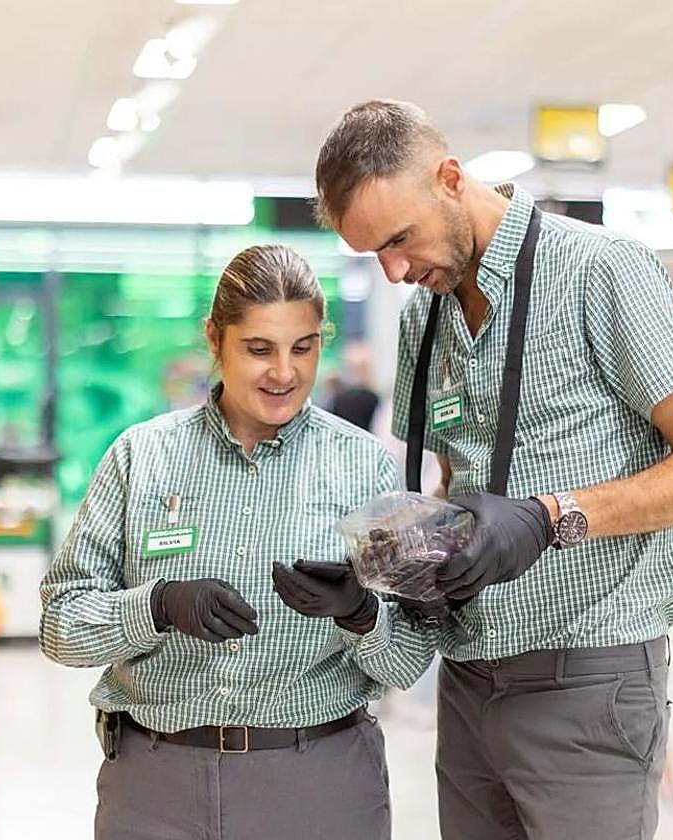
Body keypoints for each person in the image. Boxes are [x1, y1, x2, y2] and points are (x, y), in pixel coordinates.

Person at [312, 100, 673, 840]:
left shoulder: (600, 270)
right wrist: (401, 554)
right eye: (372, 256)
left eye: (398, 240)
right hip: (469, 674)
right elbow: (456, 484)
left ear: (450, 178)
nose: (393, 272)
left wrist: (551, 517)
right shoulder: (428, 313)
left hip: (587, 675)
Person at [40, 243, 436, 840]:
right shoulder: (141, 457)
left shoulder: (365, 469)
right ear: (215, 339)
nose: (284, 373)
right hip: (156, 784)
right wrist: (155, 605)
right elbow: (60, 627)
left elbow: (410, 659)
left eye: (303, 348)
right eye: (259, 349)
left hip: (320, 785)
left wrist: (361, 614)